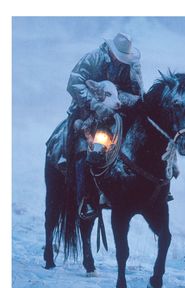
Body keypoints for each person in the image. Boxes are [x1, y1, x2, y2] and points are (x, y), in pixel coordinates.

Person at [66, 32, 144, 218]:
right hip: (86, 111)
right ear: (110, 50)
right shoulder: (92, 58)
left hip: (118, 111)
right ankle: (86, 198)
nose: (121, 62)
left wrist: (118, 101)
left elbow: (137, 94)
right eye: (118, 57)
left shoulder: (132, 65)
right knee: (85, 148)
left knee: (138, 139)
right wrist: (96, 105)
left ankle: (148, 186)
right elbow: (74, 83)